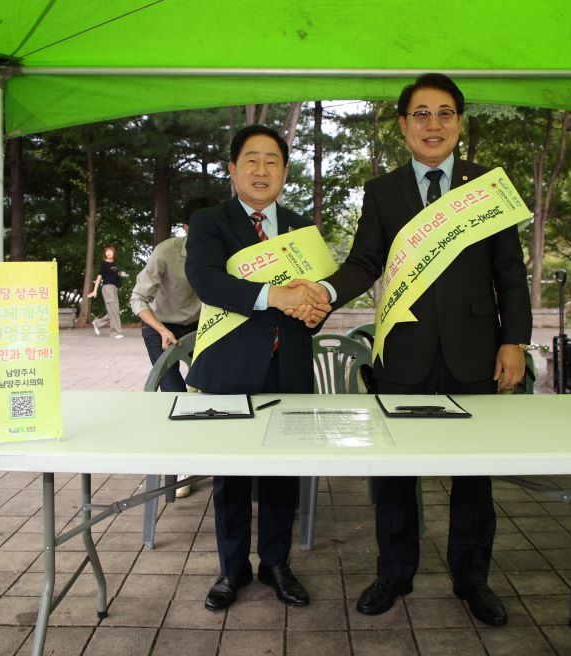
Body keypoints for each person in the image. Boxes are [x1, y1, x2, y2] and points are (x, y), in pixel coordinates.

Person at [309, 73, 533, 626]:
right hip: (403, 351)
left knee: (473, 473)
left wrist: (515, 340)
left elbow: (510, 273)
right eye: (421, 114)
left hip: (475, 351)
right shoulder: (382, 191)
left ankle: (472, 578)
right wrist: (327, 293)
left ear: (460, 122)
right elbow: (366, 262)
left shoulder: (487, 188)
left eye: (444, 113)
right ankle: (394, 571)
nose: (433, 124)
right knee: (394, 471)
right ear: (403, 124)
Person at [184, 124, 330, 612]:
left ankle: (275, 564)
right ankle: (232, 570)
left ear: (285, 171)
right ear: (232, 169)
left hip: (287, 365)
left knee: (281, 475)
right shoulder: (209, 221)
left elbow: (314, 291)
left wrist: (313, 308)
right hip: (229, 367)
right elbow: (207, 282)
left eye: (273, 160)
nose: (261, 169)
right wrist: (275, 293)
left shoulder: (299, 229)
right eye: (251, 159)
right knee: (230, 476)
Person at [130, 197, 217, 392]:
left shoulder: (222, 253)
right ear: (186, 228)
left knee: (209, 387)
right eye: (201, 228)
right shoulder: (165, 252)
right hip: (161, 326)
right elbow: (138, 299)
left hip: (200, 326)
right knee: (173, 390)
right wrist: (162, 330)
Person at [87, 245, 128, 338]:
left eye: (110, 251)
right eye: (107, 251)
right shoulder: (104, 264)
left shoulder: (114, 264)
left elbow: (115, 275)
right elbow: (99, 277)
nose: (108, 253)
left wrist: (121, 274)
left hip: (114, 288)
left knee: (115, 311)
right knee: (113, 311)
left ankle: (97, 323)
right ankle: (114, 333)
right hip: (107, 288)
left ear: (114, 253)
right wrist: (94, 291)